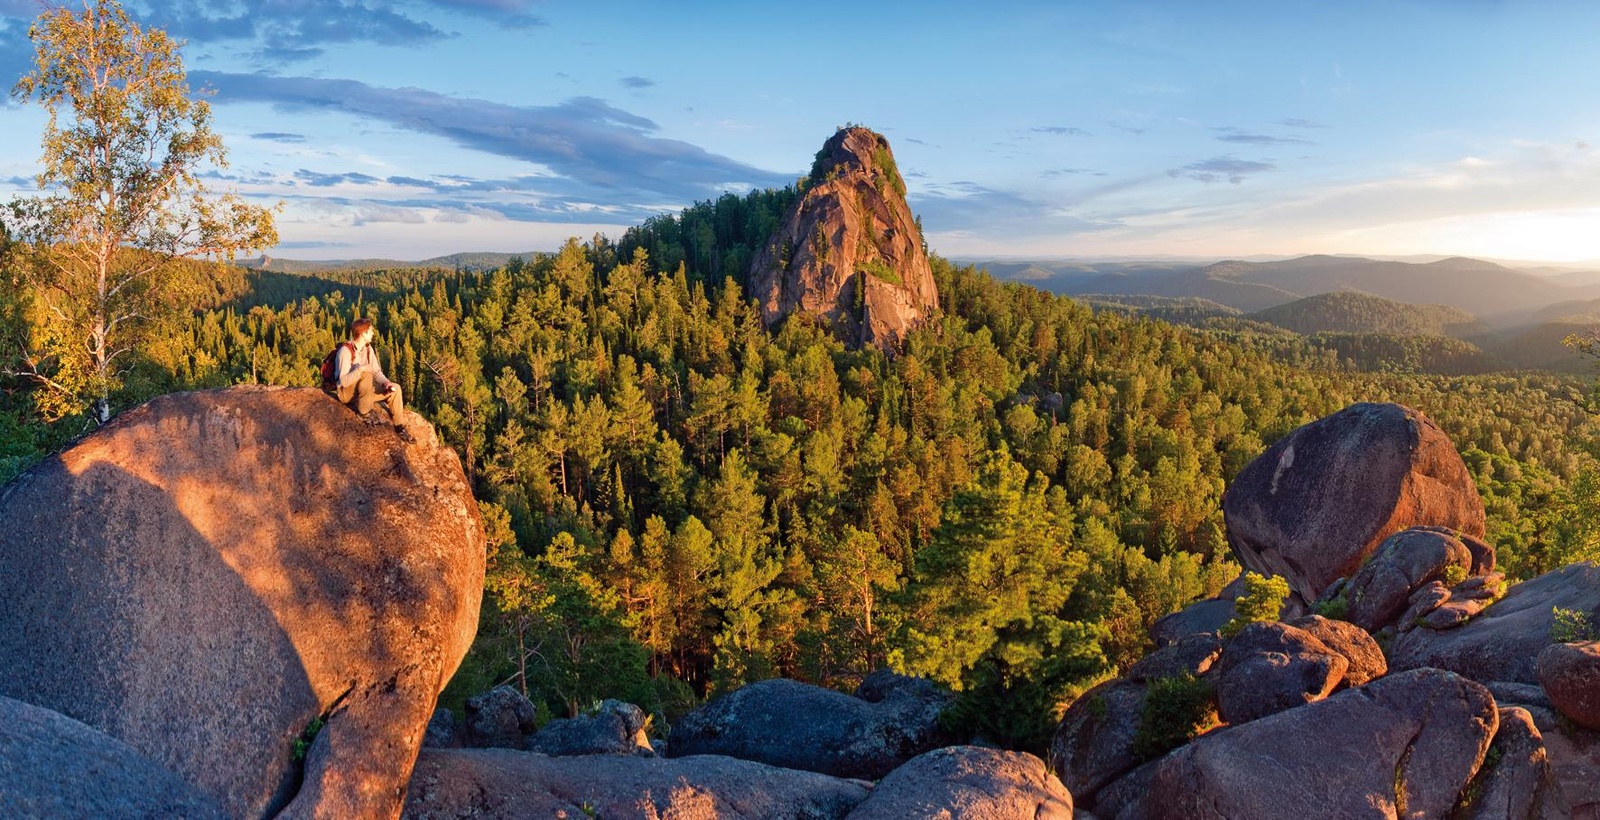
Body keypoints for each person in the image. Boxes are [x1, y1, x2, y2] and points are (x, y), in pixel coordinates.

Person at [330, 318, 414, 442]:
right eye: (370, 331)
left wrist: (385, 383)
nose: (373, 333)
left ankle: (399, 427)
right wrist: (360, 370)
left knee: (396, 389)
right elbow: (343, 381)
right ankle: (364, 413)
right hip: (346, 393)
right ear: (363, 334)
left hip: (363, 392)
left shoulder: (368, 350)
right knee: (366, 375)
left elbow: (376, 372)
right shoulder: (345, 352)